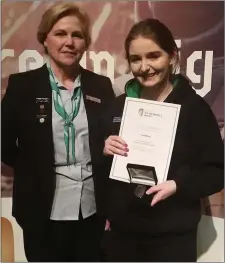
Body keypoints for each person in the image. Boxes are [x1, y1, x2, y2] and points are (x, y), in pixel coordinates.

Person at [101, 18, 224, 262]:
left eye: (153, 56)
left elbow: (216, 172)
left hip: (172, 239)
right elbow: (100, 169)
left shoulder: (194, 109)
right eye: (136, 59)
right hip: (123, 237)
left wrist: (178, 185)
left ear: (171, 56)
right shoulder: (117, 107)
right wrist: (104, 150)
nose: (145, 66)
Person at [1, 3, 115, 262]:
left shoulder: (101, 86)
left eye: (77, 35)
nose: (69, 42)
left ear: (85, 42)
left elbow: (108, 144)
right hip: (42, 213)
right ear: (45, 38)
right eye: (60, 33)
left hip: (91, 212)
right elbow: (4, 144)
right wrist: (33, 167)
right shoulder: (22, 87)